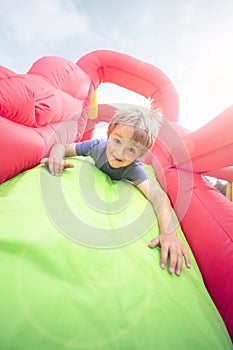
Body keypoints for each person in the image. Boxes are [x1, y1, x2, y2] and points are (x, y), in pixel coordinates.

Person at [41, 107, 191, 276]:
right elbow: (63, 147)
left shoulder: (134, 171)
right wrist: (56, 157)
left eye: (131, 150)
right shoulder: (96, 147)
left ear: (140, 154)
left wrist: (169, 233)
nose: (120, 153)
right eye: (117, 141)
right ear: (109, 134)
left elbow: (157, 197)